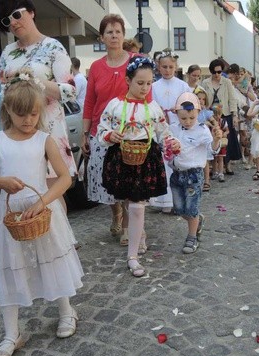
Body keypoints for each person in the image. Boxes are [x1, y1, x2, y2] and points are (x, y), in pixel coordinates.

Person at [0, 74, 83, 356]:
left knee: (52, 259)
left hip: (42, 211)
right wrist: (2, 182)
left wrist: (44, 201)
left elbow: (64, 178)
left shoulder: (44, 140)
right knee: (11, 268)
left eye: (34, 113)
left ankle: (66, 311)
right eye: (21, 114)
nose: (28, 120)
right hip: (11, 214)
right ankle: (11, 333)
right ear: (7, 110)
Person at [97, 56, 180, 277]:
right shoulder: (115, 105)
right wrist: (110, 135)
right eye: (140, 83)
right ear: (128, 80)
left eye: (149, 83)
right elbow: (100, 130)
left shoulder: (153, 108)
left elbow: (164, 133)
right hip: (121, 157)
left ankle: (132, 256)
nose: (145, 88)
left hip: (145, 158)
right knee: (128, 201)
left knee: (137, 206)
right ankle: (138, 233)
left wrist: (172, 143)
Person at [0, 0, 77, 212]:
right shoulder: (8, 52)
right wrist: (0, 136)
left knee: (52, 197)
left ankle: (63, 244)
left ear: (31, 13)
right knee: (25, 195)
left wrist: (31, 79)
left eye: (16, 15)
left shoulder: (52, 47)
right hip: (17, 135)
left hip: (48, 130)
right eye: (6, 20)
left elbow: (69, 91)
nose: (12, 22)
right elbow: (1, 96)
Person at [81, 14, 138, 243]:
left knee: (128, 180)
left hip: (130, 131)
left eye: (118, 31)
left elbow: (146, 94)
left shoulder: (136, 61)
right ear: (101, 37)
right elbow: (89, 102)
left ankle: (127, 226)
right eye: (109, 32)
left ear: (123, 35)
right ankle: (115, 213)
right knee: (109, 180)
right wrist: (85, 134)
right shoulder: (95, 67)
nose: (114, 36)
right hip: (102, 133)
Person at [169, 92, 223, 253]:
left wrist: (216, 140)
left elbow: (211, 150)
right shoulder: (172, 129)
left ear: (198, 114)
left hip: (194, 175)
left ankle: (191, 237)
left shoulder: (202, 130)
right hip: (177, 174)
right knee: (179, 209)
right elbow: (164, 145)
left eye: (192, 118)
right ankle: (198, 219)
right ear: (176, 114)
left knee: (191, 208)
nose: (187, 121)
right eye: (183, 118)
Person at [149, 49, 191, 213]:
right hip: (160, 128)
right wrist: (157, 111)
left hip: (177, 125)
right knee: (163, 164)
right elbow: (149, 104)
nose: (167, 70)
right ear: (158, 67)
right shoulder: (153, 86)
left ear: (176, 67)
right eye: (164, 67)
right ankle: (164, 201)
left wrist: (178, 109)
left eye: (170, 67)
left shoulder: (182, 85)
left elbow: (189, 104)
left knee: (178, 163)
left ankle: (179, 200)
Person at [200, 58, 239, 179]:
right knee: (213, 140)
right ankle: (214, 167)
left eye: (219, 72)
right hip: (211, 114)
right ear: (211, 72)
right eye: (215, 72)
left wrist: (234, 115)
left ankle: (227, 165)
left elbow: (232, 99)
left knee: (227, 139)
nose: (217, 74)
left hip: (224, 113)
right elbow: (202, 97)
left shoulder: (227, 82)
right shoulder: (205, 83)